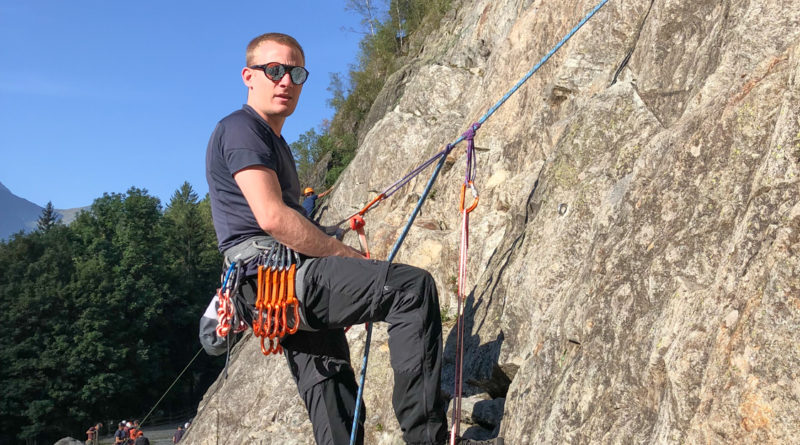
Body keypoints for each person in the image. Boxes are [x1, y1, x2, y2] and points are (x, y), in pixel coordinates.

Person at [204, 32, 447, 445]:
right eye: (274, 70)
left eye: (295, 73)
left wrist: (330, 232)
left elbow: (282, 218)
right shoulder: (242, 129)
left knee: (329, 384)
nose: (286, 81)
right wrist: (343, 253)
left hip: (270, 286)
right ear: (249, 76)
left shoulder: (272, 141)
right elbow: (272, 218)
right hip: (275, 278)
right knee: (410, 290)